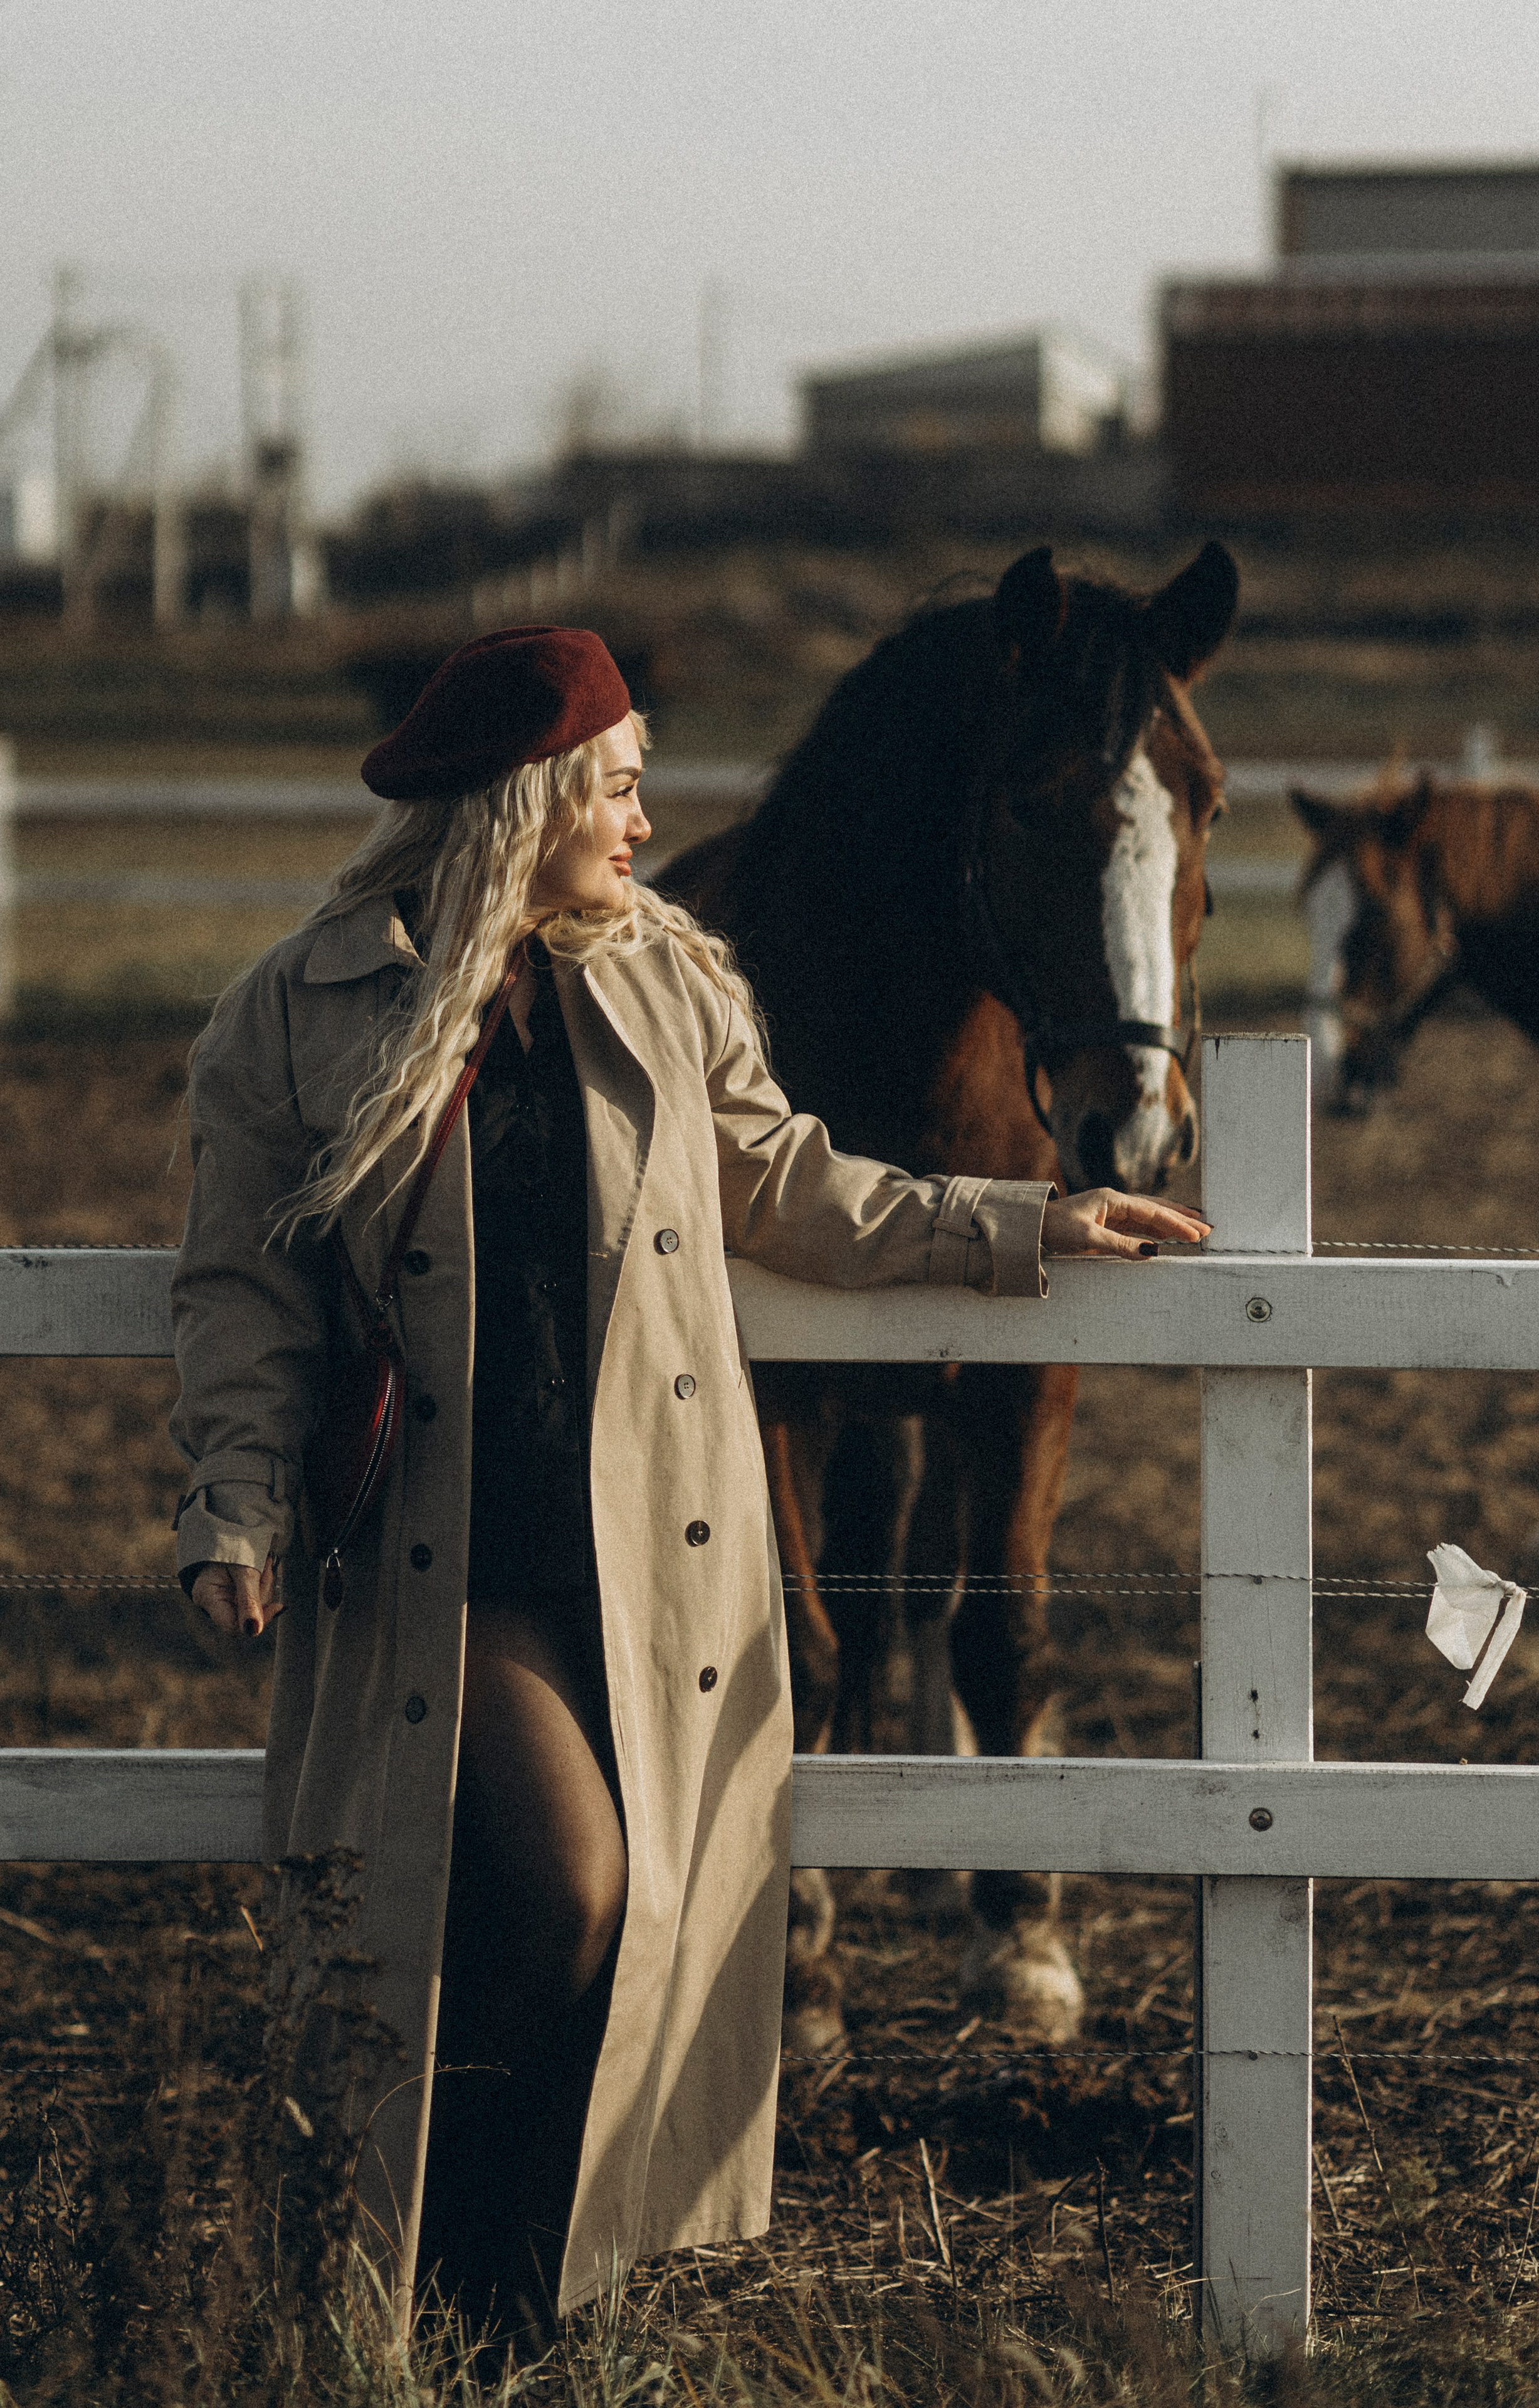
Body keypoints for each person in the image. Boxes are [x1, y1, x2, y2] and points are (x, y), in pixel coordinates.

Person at [170, 625, 1204, 2334]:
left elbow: (792, 1184)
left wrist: (1022, 1222)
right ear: (536, 798)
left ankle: (507, 2309)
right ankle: (447, 2266)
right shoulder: (297, 1013)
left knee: (646, 1918)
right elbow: (241, 1288)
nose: (646, 821)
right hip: (453, 1548)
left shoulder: (663, 975)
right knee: (574, 1887)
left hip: (650, 1545)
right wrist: (233, 1500)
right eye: (623, 787)